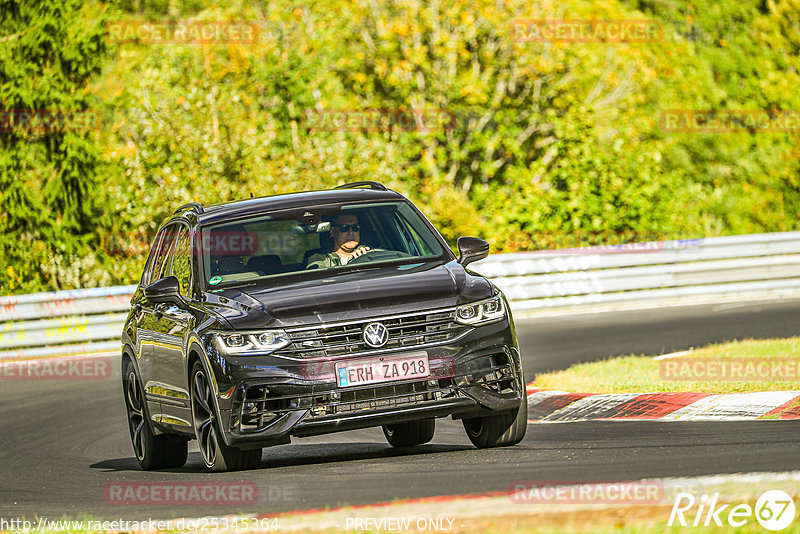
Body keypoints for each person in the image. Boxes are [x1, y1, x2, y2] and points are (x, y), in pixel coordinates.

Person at [306, 213, 371, 268]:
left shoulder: (368, 253)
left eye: (355, 227)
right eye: (344, 228)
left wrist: (366, 255)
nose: (351, 233)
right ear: (333, 232)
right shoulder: (321, 260)